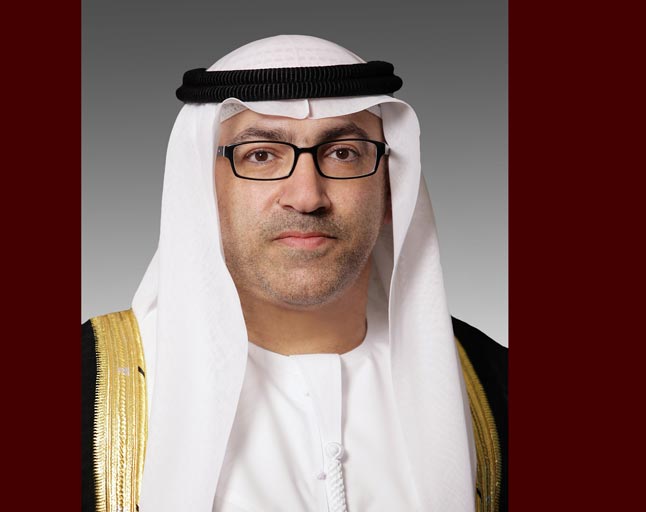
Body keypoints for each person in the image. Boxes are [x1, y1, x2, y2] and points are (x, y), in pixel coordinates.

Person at [81, 35, 507, 512]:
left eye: (343, 153)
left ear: (392, 189)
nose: (306, 197)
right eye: (261, 155)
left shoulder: (495, 386)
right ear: (201, 189)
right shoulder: (87, 387)